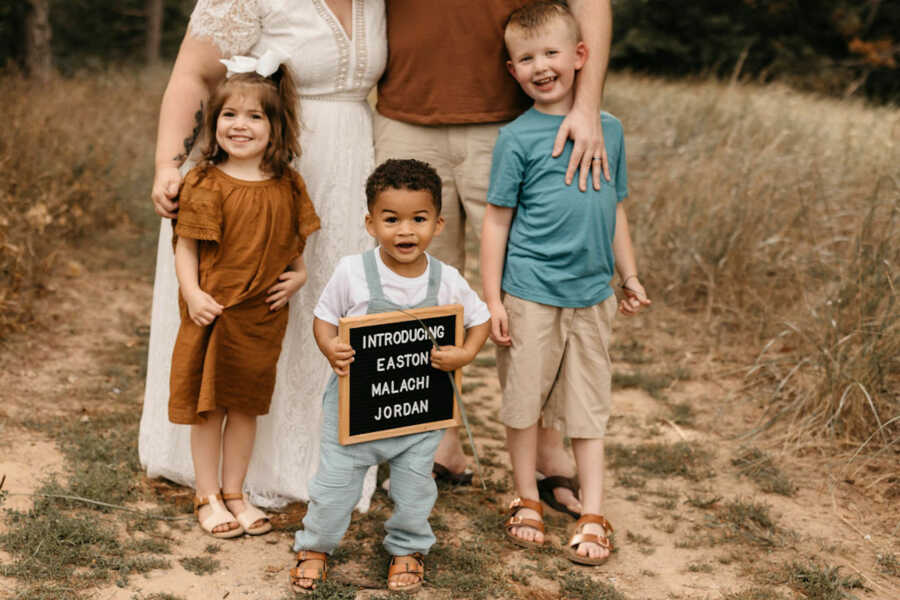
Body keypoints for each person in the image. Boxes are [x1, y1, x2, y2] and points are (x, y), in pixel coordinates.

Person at [140, 0, 386, 510]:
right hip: (251, 170)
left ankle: (320, 462)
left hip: (344, 172)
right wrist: (168, 164)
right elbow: (193, 74)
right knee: (240, 322)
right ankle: (222, 481)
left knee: (321, 302)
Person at [374, 0, 612, 513]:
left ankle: (548, 450)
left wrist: (586, 105)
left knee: (527, 289)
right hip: (407, 109)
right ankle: (434, 441)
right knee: (415, 290)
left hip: (515, 120)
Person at [481, 1, 650, 564]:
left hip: (593, 293)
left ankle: (595, 510)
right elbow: (497, 219)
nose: (539, 65)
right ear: (513, 71)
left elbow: (616, 207)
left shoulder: (610, 129)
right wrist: (492, 297)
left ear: (581, 56)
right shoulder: (517, 138)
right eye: (525, 58)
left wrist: (628, 273)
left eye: (551, 52)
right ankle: (526, 495)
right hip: (529, 291)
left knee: (588, 406)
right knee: (524, 400)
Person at [289, 159, 491, 593]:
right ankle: (315, 546)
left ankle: (407, 548)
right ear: (370, 222)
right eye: (391, 219)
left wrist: (467, 353)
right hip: (354, 409)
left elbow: (481, 319)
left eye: (418, 219)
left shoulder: (448, 279)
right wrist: (330, 347)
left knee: (415, 489)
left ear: (438, 224)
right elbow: (324, 319)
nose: (405, 231)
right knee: (334, 487)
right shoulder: (352, 273)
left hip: (418, 412)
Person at [169, 58, 320, 538]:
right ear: (214, 124)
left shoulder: (288, 184)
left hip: (261, 316)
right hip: (211, 311)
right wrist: (192, 294)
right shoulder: (205, 181)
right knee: (209, 407)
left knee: (246, 406)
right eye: (229, 115)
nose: (241, 125)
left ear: (276, 128)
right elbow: (186, 245)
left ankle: (236, 492)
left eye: (256, 116)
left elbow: (294, 248)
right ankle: (207, 495)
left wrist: (298, 276)